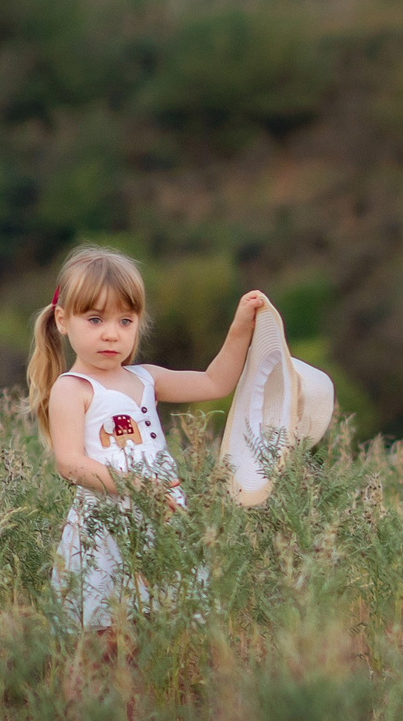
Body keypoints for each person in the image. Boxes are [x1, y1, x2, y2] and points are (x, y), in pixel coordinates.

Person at [26, 245, 271, 632]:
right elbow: (69, 463)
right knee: (106, 626)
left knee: (169, 620)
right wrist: (137, 487)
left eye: (125, 321)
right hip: (106, 522)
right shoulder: (72, 389)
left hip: (162, 516)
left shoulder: (146, 378)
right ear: (62, 320)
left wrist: (241, 326)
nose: (112, 333)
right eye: (95, 319)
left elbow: (214, 381)